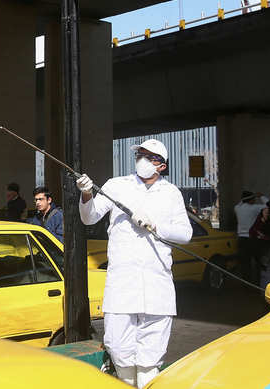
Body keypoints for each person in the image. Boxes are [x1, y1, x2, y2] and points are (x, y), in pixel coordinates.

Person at [76, 139, 192, 388]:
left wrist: (155, 224)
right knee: (119, 347)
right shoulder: (116, 186)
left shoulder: (171, 193)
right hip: (122, 283)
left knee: (150, 358)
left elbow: (185, 233)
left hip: (157, 282)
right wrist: (86, 193)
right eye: (139, 155)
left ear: (161, 165)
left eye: (148, 157)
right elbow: (90, 216)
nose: (141, 160)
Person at [234, 190, 266, 284]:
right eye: (254, 199)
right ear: (250, 199)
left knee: (245, 263)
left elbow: (240, 202)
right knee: (258, 262)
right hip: (254, 239)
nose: (255, 201)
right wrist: (261, 196)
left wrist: (249, 197)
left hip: (241, 240)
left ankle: (246, 283)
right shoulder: (255, 208)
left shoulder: (237, 208)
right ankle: (257, 282)